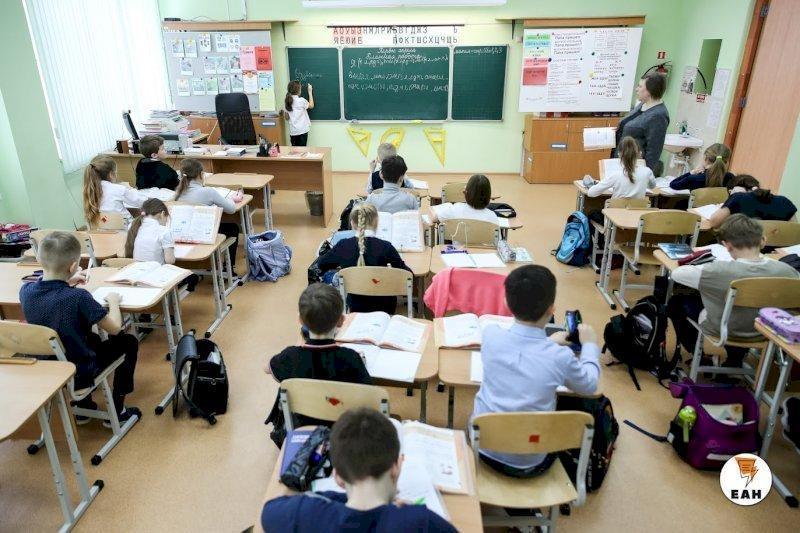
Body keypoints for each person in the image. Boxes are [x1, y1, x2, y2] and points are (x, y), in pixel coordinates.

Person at [472, 265, 600, 477]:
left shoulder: (490, 335)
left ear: (506, 302)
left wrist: (549, 343)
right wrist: (589, 346)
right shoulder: (560, 357)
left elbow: (523, 353)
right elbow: (590, 386)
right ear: (551, 310)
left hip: (482, 448)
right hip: (532, 462)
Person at [261, 407, 457, 533]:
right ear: (396, 467)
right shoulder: (420, 522)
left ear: (338, 477)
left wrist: (338, 499)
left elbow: (268, 513)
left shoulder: (306, 513)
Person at [19, 232, 140, 423]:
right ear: (73, 266)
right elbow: (116, 328)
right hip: (77, 372)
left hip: (47, 367)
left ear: (39, 260)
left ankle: (83, 408)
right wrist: (113, 301)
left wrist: (67, 281)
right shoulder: (78, 297)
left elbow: (51, 296)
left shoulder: (26, 291)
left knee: (91, 338)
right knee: (128, 341)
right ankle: (118, 410)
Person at [668, 214, 799, 370]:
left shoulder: (717, 270)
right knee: (747, 309)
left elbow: (677, 274)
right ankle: (735, 360)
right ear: (763, 240)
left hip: (724, 330)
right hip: (768, 332)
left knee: (676, 302)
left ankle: (702, 357)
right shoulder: (788, 271)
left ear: (727, 245)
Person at [265, 284, 371, 446]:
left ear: (301, 320)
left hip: (302, 429)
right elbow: (368, 395)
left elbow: (267, 368)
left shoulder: (289, 356)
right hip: (344, 430)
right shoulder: (352, 358)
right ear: (341, 321)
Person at [317, 203, 411, 314]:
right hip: (386, 308)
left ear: (352, 223)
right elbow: (408, 275)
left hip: (355, 307)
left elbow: (321, 264)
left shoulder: (343, 245)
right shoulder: (386, 247)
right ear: (376, 222)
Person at [175, 158, 243, 271]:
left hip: (183, 234)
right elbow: (231, 210)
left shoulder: (178, 192)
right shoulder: (208, 192)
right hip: (203, 234)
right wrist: (230, 199)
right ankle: (228, 268)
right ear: (201, 174)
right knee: (233, 228)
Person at [614, 72, 669, 176]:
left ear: (649, 91)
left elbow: (654, 151)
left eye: (640, 86)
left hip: (634, 169)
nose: (636, 89)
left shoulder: (658, 116)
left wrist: (643, 176)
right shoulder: (643, 104)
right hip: (623, 160)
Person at [708, 174, 797, 229]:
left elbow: (713, 222)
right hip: (777, 252)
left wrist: (733, 197)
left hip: (743, 248)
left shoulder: (737, 198)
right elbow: (795, 230)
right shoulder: (784, 201)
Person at [83, 154, 146, 227]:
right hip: (126, 230)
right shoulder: (118, 189)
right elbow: (142, 201)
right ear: (111, 174)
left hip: (102, 230)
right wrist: (130, 189)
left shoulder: (89, 190)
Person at [587, 136, 656, 199]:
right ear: (639, 153)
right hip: (639, 208)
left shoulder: (615, 175)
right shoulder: (647, 171)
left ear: (619, 154)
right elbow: (652, 186)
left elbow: (591, 193)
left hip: (615, 208)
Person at [430, 174, 499, 224]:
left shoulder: (456, 209)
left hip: (459, 241)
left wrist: (432, 208)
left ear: (465, 193)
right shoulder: (492, 216)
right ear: (488, 195)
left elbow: (434, 218)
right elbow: (497, 239)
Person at [669, 143, 735, 191]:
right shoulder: (731, 177)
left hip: (696, 207)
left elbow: (673, 184)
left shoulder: (694, 178)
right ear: (727, 161)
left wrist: (692, 172)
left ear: (705, 158)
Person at [282, 80, 313, 146]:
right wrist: (310, 92)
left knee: (295, 151)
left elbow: (287, 118)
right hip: (302, 131)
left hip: (293, 132)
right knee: (302, 150)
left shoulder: (287, 102)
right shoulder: (301, 101)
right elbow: (311, 105)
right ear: (299, 90)